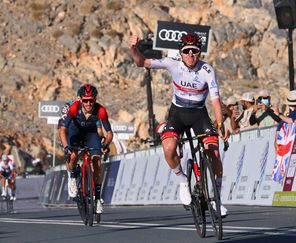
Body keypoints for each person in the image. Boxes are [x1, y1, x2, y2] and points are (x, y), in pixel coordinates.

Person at [130, 33, 229, 216]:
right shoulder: (172, 63)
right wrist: (134, 49)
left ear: (200, 52)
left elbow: (215, 101)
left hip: (199, 114)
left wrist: (220, 124)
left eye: (195, 51)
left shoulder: (207, 70)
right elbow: (141, 63)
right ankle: (183, 181)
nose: (191, 54)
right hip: (178, 114)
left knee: (214, 152)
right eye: (186, 51)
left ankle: (217, 199)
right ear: (181, 52)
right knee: (168, 149)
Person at [60, 83, 113, 214]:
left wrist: (105, 144)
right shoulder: (73, 108)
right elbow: (62, 130)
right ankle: (72, 177)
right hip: (75, 131)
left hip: (91, 133)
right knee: (72, 155)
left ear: (95, 99)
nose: (89, 104)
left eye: (91, 100)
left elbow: (109, 133)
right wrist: (66, 147)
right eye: (86, 101)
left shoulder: (100, 110)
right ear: (80, 100)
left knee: (97, 161)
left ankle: (98, 199)